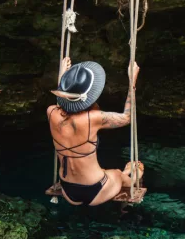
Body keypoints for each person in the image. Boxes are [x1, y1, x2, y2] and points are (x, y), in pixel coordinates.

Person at [47, 57, 144, 206]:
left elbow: (62, 103)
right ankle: (131, 175)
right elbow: (127, 117)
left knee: (104, 171)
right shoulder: (92, 118)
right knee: (117, 174)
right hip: (96, 189)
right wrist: (132, 82)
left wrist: (64, 78)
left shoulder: (51, 112)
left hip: (67, 189)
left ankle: (123, 175)